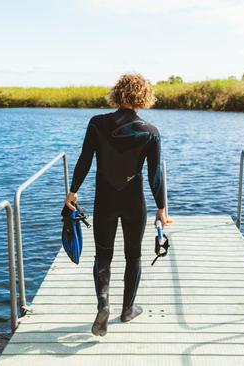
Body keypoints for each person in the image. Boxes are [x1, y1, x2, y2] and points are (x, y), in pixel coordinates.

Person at [64, 73, 168, 336]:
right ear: (144, 97)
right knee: (133, 256)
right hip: (134, 202)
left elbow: (84, 160)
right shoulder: (150, 132)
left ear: (117, 94)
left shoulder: (97, 123)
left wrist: (72, 192)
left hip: (105, 200)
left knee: (103, 255)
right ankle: (127, 310)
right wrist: (162, 208)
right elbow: (155, 175)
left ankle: (103, 304)